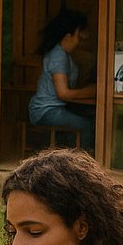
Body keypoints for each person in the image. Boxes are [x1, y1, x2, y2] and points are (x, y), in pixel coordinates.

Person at [28, 9, 95, 153]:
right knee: (86, 125)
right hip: (47, 110)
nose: (80, 39)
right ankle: (81, 163)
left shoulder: (63, 54)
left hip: (54, 108)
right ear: (68, 35)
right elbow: (63, 94)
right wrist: (92, 91)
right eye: (79, 34)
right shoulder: (59, 56)